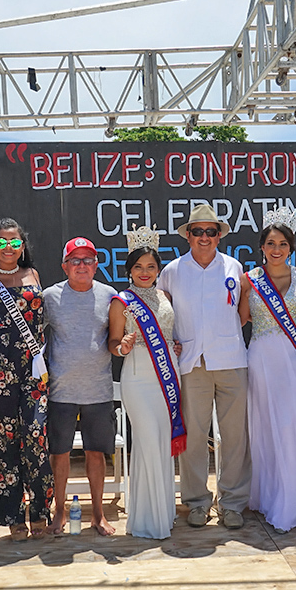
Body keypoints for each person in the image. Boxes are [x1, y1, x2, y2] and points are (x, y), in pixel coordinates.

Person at [159, 204, 251, 530]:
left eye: (211, 231)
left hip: (231, 360)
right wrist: (171, 340)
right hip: (191, 364)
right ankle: (197, 502)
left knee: (235, 435)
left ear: (219, 236)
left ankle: (233, 503)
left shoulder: (234, 266)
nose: (204, 237)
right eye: (197, 231)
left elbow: (243, 313)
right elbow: (160, 315)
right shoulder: (170, 271)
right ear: (187, 235)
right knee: (195, 437)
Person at [237, 208, 296, 533]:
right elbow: (241, 319)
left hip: (293, 361)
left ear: (291, 247)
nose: (277, 249)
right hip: (261, 359)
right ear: (262, 246)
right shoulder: (248, 281)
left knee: (294, 428)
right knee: (265, 428)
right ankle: (270, 497)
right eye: (271, 243)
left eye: (283, 244)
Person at [0, 218, 53, 542]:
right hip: (0, 369)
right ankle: (14, 516)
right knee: (4, 439)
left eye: (14, 242)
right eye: (1, 242)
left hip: (34, 368)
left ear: (23, 245)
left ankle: (40, 510)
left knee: (35, 435)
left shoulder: (33, 275)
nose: (8, 248)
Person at [108, 226, 184, 539]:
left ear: (158, 270)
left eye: (151, 267)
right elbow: (112, 343)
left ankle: (158, 516)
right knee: (147, 441)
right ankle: (148, 520)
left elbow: (169, 332)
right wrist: (121, 346)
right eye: (138, 267)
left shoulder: (165, 296)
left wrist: (175, 345)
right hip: (138, 376)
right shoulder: (120, 301)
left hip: (167, 374)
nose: (145, 272)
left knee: (160, 445)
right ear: (129, 270)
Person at [44, 236, 118, 537]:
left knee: (96, 453)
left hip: (98, 390)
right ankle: (59, 511)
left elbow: (115, 339)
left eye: (88, 260)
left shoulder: (110, 295)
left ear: (97, 265)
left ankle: (98, 515)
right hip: (60, 391)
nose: (82, 266)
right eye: (76, 260)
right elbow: (33, 335)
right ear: (65, 266)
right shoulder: (49, 297)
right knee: (59, 454)